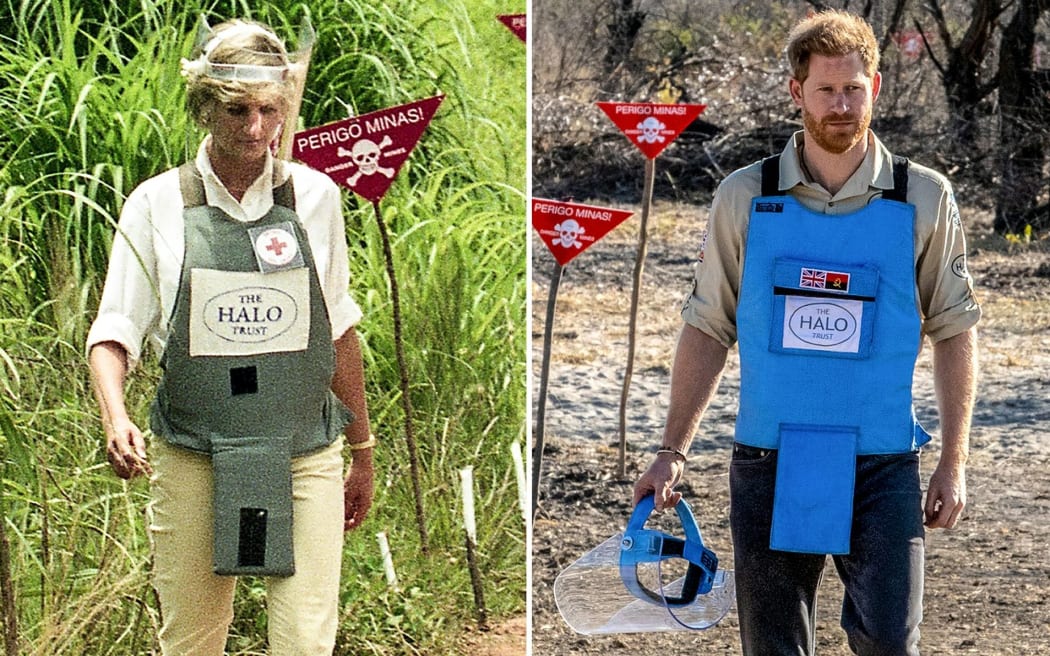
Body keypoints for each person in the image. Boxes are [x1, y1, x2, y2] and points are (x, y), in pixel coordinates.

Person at [634, 10, 980, 656]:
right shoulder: (746, 196)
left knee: (888, 640)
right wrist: (671, 450)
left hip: (883, 462)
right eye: (826, 90)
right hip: (768, 460)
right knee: (774, 647)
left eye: (855, 88)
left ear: (875, 86)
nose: (842, 105)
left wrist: (953, 463)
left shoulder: (924, 197)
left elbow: (955, 329)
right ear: (797, 93)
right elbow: (707, 327)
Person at [86, 19, 374, 656]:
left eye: (270, 111)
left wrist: (362, 449)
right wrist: (116, 417)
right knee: (190, 642)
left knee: (304, 643)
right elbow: (113, 332)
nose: (254, 129)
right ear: (204, 105)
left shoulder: (316, 199)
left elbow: (338, 331)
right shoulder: (156, 205)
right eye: (237, 109)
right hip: (195, 454)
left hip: (304, 449)